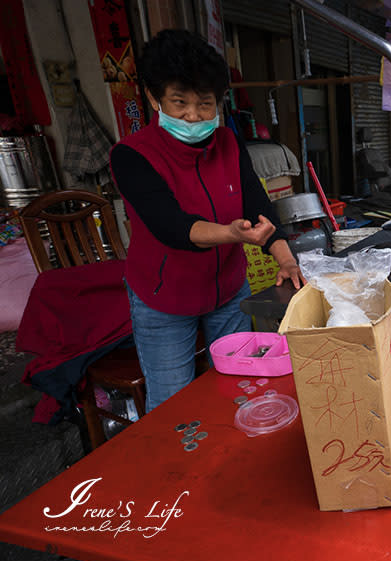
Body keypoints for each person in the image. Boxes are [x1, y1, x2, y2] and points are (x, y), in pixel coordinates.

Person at [110, 29, 305, 412]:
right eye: (179, 103)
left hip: (228, 292)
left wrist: (286, 259)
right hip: (163, 299)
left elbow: (258, 208)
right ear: (154, 99)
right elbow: (173, 227)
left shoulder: (229, 144)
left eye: (205, 104)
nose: (194, 116)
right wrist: (232, 233)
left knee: (238, 389)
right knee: (173, 406)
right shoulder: (131, 156)